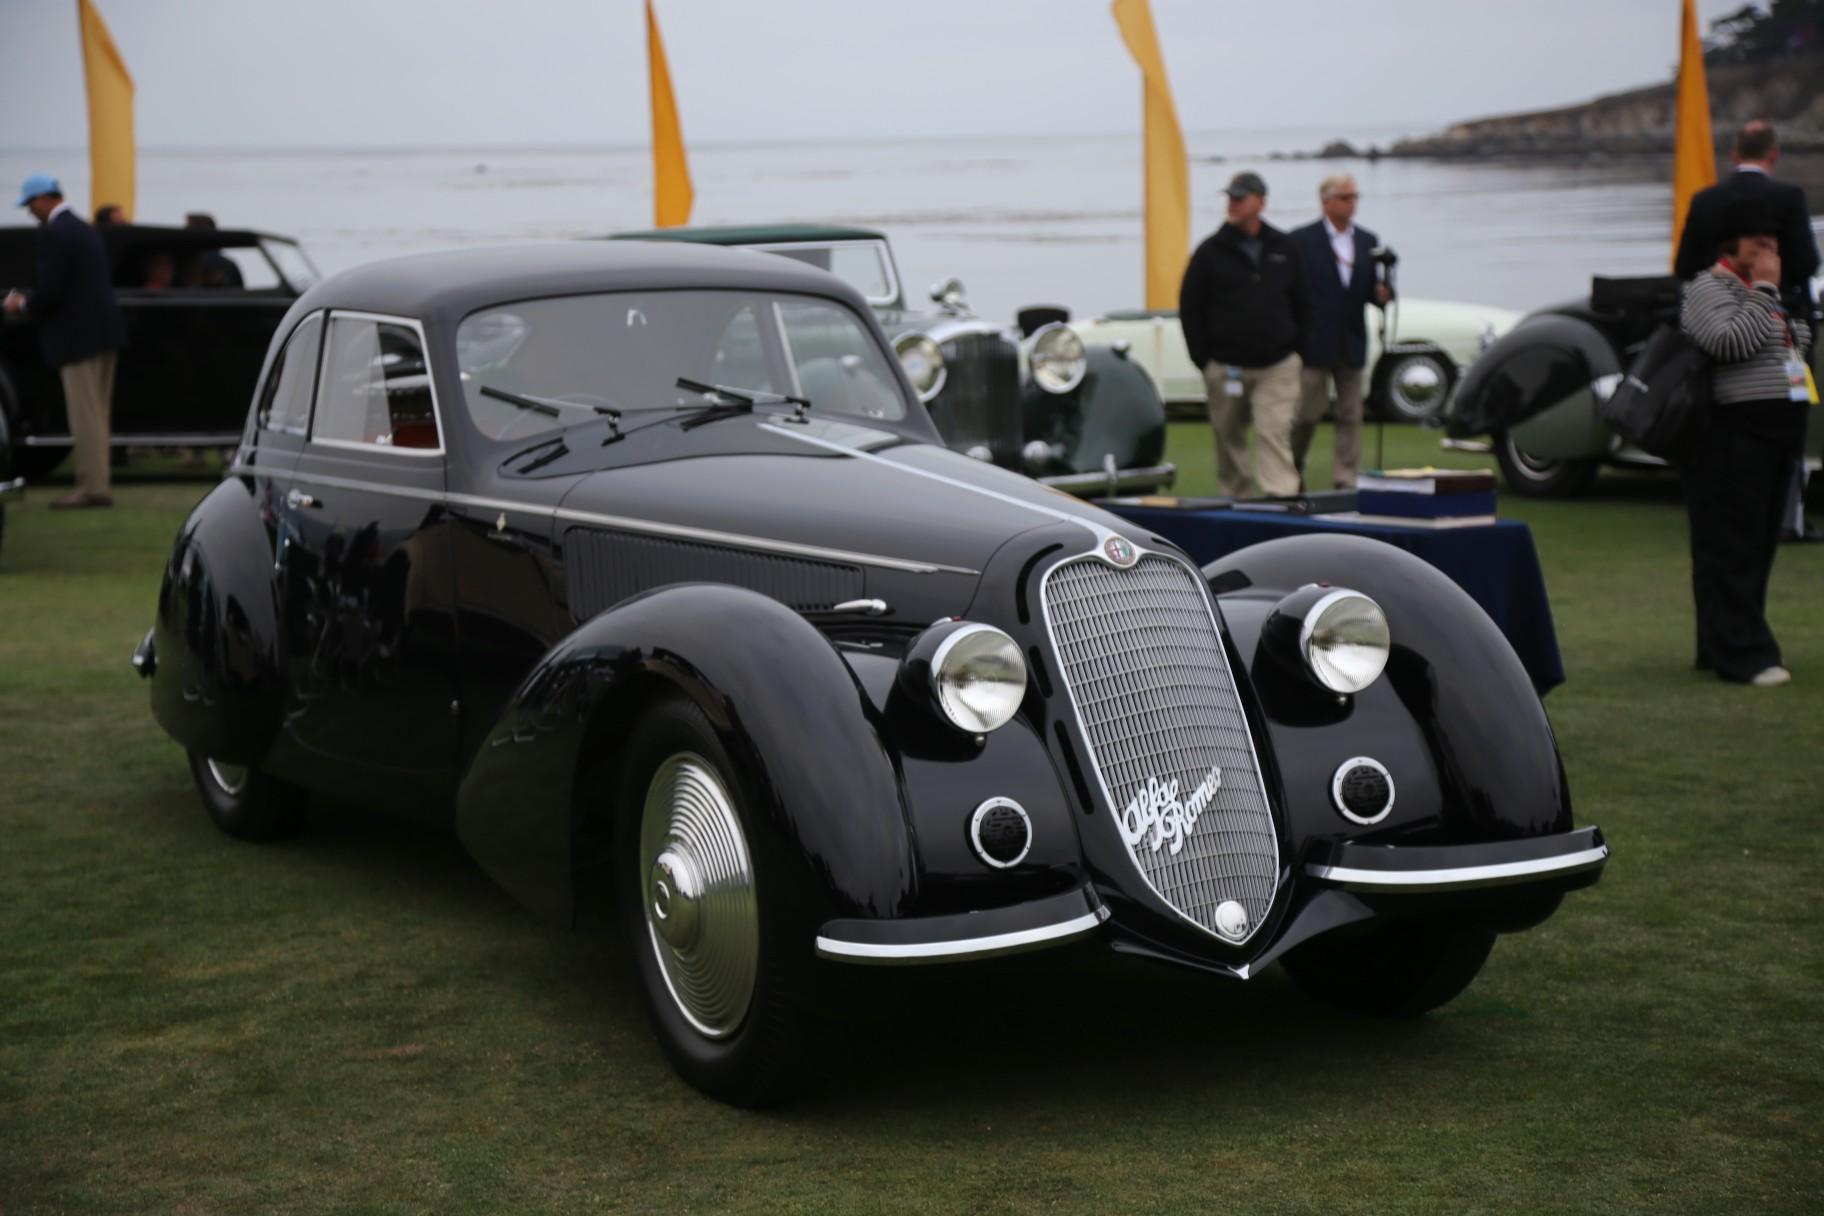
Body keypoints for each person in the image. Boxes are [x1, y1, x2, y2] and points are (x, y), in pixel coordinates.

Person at [1678, 205, 1813, 687]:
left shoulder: (1762, 293)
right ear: (1729, 247)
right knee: (1731, 547)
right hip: (1731, 436)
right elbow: (1728, 342)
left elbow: (1789, 345)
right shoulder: (1709, 288)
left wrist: (1788, 320)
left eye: (1773, 246)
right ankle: (1745, 656)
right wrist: (1766, 292)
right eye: (1758, 245)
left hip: (1775, 432)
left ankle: (1722, 644)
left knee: (1755, 547)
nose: (1769, 254)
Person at [1674, 120, 1822, 542]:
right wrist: (1767, 287)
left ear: (1735, 156)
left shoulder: (1705, 200)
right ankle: (1790, 515)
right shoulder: (1788, 197)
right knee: (1791, 421)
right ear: (1773, 155)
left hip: (1732, 353)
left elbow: (1684, 267)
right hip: (1781, 333)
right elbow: (1808, 264)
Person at [1179, 171, 1309, 498]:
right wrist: (1204, 360)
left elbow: (1305, 301)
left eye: (1240, 198)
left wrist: (1298, 351)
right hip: (1226, 365)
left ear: (1260, 202)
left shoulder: (1285, 246)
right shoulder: (1209, 252)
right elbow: (1190, 307)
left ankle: (1281, 499)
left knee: (1273, 432)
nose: (1233, 204)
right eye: (1230, 198)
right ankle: (1236, 497)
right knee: (1228, 437)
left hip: (1277, 364)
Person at [2, 174, 128, 509]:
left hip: (77, 338)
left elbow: (50, 293)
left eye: (30, 204)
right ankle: (97, 482)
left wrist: (22, 305)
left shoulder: (55, 234)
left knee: (84, 416)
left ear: (45, 198)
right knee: (97, 415)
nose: (30, 212)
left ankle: (92, 488)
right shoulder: (86, 229)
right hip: (104, 334)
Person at [1289, 174, 1393, 488]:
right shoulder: (1301, 240)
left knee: (1350, 415)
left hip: (1351, 340)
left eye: (1354, 197)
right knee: (1306, 414)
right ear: (1327, 202)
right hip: (1314, 342)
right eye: (1346, 198)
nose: (1352, 203)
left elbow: (1370, 291)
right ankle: (1291, 470)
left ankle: (1345, 478)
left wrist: (1382, 294)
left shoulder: (1367, 240)